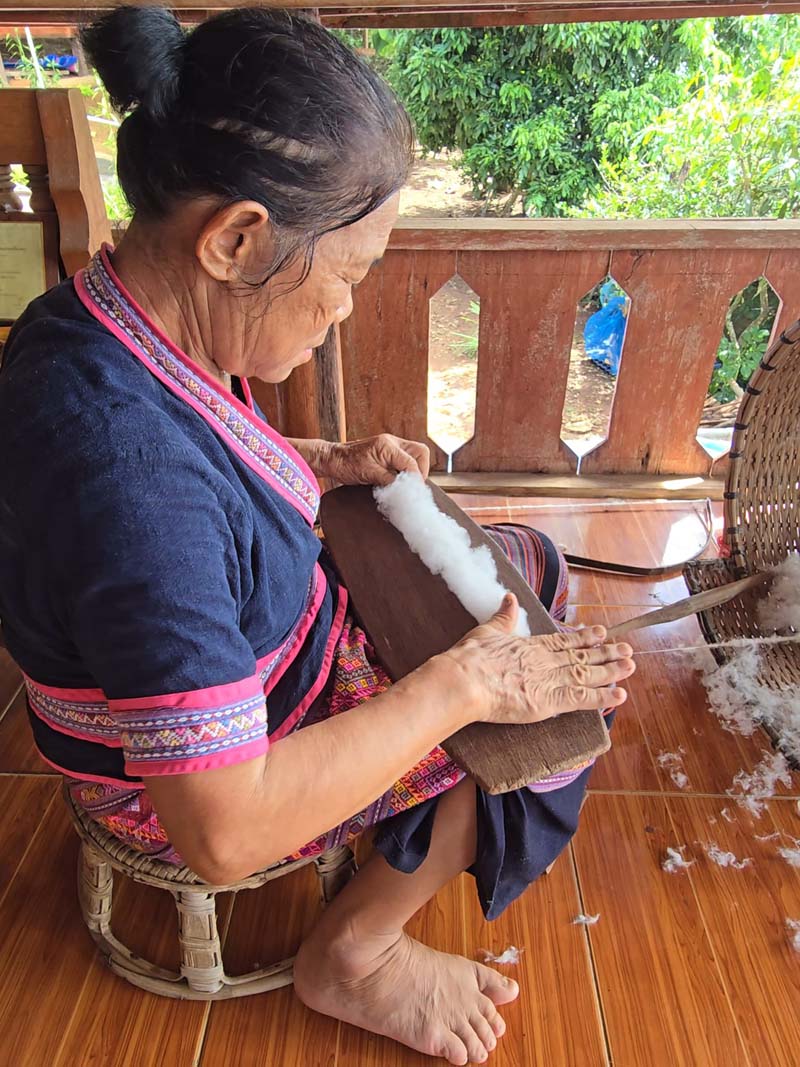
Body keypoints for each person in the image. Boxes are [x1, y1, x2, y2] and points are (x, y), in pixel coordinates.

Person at [0, 9, 635, 1064]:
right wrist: (467, 690)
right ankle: (356, 949)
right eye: (344, 277)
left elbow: (197, 464)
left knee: (528, 569)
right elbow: (225, 830)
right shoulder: (131, 481)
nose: (340, 311)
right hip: (190, 784)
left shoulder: (99, 316)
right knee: (559, 696)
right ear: (237, 238)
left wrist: (320, 462)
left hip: (248, 655)